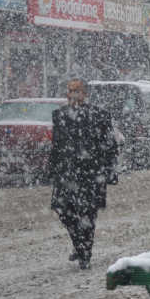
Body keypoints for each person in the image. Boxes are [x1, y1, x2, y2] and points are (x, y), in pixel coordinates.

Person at [48, 78, 118, 270]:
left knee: (87, 216)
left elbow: (110, 146)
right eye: (69, 90)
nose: (72, 94)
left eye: (76, 90)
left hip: (91, 175)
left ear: (85, 93)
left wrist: (109, 173)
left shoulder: (100, 115)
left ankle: (84, 255)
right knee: (63, 211)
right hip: (66, 174)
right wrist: (52, 169)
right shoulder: (59, 115)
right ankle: (79, 245)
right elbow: (57, 145)